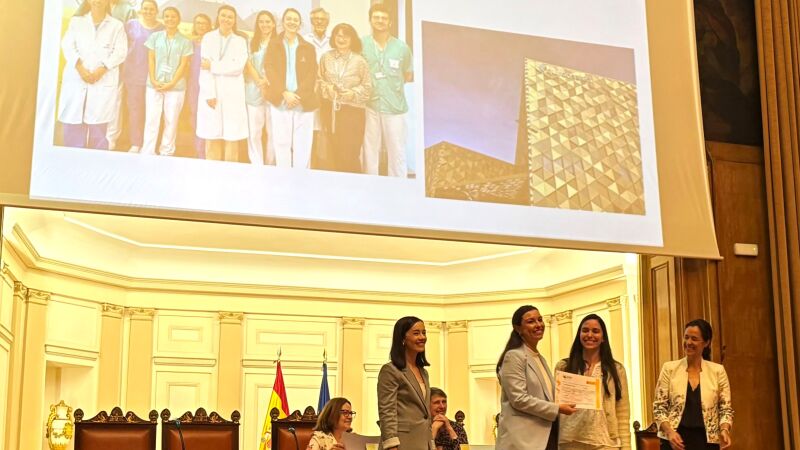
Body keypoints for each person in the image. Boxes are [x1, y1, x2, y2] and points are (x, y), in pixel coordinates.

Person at [495, 305, 576, 450]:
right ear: (518, 328)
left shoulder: (540, 358)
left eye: (540, 319)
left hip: (546, 436)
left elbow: (549, 397)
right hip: (523, 441)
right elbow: (519, 399)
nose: (538, 325)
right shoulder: (514, 356)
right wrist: (557, 408)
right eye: (531, 321)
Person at [653, 319, 733, 450]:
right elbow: (659, 407)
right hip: (674, 442)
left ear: (706, 343)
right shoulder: (669, 369)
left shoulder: (718, 371)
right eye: (686, 337)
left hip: (707, 443)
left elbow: (725, 409)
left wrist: (724, 429)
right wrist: (669, 432)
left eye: (694, 339)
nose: (688, 342)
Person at [554, 314, 630, 450]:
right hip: (569, 441)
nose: (589, 335)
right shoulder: (563, 367)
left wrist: (626, 446)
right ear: (579, 334)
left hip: (605, 442)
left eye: (595, 331)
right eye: (585, 330)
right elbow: (555, 405)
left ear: (603, 337)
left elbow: (622, 413)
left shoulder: (617, 369)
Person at [58, 0, 127, 149]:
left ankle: (97, 159)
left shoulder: (117, 26)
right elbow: (67, 46)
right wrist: (81, 70)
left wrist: (101, 70)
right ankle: (72, 158)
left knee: (98, 126)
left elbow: (121, 52)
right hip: (77, 78)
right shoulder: (77, 22)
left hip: (102, 80)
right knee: (73, 120)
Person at [361, 3, 413, 178]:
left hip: (394, 107)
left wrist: (390, 88)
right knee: (369, 148)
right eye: (376, 17)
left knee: (397, 149)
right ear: (370, 20)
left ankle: (398, 186)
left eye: (384, 18)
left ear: (390, 22)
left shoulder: (402, 47)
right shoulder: (361, 44)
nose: (380, 21)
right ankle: (371, 184)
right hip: (370, 105)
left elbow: (407, 75)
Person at [263, 8, 318, 169]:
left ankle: (301, 177)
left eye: (295, 20)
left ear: (300, 24)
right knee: (281, 142)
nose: (292, 22)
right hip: (280, 99)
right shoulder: (273, 44)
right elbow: (269, 68)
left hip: (303, 101)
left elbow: (312, 73)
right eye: (289, 19)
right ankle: (284, 176)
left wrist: (297, 96)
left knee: (303, 143)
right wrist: (284, 93)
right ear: (283, 22)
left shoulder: (308, 47)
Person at [197, 5, 249, 162]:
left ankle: (230, 173)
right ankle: (211, 172)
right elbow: (204, 68)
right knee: (212, 135)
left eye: (230, 17)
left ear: (234, 20)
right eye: (223, 15)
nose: (226, 19)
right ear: (218, 17)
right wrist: (209, 93)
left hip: (233, 93)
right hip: (212, 92)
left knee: (232, 137)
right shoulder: (208, 38)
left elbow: (238, 67)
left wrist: (213, 66)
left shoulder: (240, 41)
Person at [317, 23, 372, 173]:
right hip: (331, 111)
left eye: (346, 36)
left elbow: (367, 87)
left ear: (352, 39)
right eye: (338, 35)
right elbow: (320, 80)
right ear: (334, 37)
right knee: (334, 152)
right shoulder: (326, 57)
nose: (341, 39)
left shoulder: (360, 61)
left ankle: (354, 184)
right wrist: (328, 88)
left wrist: (352, 94)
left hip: (353, 112)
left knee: (350, 154)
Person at [141, 7, 192, 156]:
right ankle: (147, 152)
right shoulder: (155, 37)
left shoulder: (185, 41)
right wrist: (153, 79)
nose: (170, 19)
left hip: (176, 87)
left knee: (171, 120)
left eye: (173, 16)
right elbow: (151, 59)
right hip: (154, 85)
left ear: (179, 19)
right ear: (163, 19)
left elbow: (183, 65)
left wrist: (171, 83)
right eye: (167, 16)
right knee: (151, 119)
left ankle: (166, 152)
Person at [377, 316, 434, 450]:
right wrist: (391, 445)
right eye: (416, 333)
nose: (422, 337)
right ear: (402, 338)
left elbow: (425, 415)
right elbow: (387, 411)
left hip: (423, 443)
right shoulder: (390, 370)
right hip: (401, 444)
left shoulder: (424, 372)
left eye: (424, 332)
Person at [122, 0, 164, 153]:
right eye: (145, 8)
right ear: (140, 10)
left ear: (157, 11)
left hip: (155, 77)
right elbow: (121, 46)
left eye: (151, 9)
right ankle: (136, 142)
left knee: (153, 112)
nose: (148, 11)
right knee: (135, 110)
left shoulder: (163, 28)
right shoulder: (131, 25)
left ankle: (150, 145)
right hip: (133, 74)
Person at [244, 10, 276, 165]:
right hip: (253, 89)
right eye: (261, 22)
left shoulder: (279, 43)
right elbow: (248, 64)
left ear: (274, 24)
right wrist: (260, 83)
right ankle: (257, 164)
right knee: (254, 132)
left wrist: (267, 83)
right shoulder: (251, 42)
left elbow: (281, 67)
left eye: (268, 21)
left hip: (273, 90)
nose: (265, 24)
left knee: (273, 132)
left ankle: (270, 164)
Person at [104, 0, 136, 149]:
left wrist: (124, 61)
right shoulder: (96, 4)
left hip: (118, 63)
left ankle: (111, 137)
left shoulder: (127, 9)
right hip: (96, 62)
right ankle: (96, 134)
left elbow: (133, 40)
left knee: (115, 100)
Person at [186, 13, 212, 159]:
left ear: (209, 26)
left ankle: (208, 151)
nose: (201, 26)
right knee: (194, 116)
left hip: (209, 85)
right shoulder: (190, 43)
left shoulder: (213, 42)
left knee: (208, 117)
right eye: (198, 23)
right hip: (194, 85)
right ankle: (199, 150)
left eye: (204, 23)